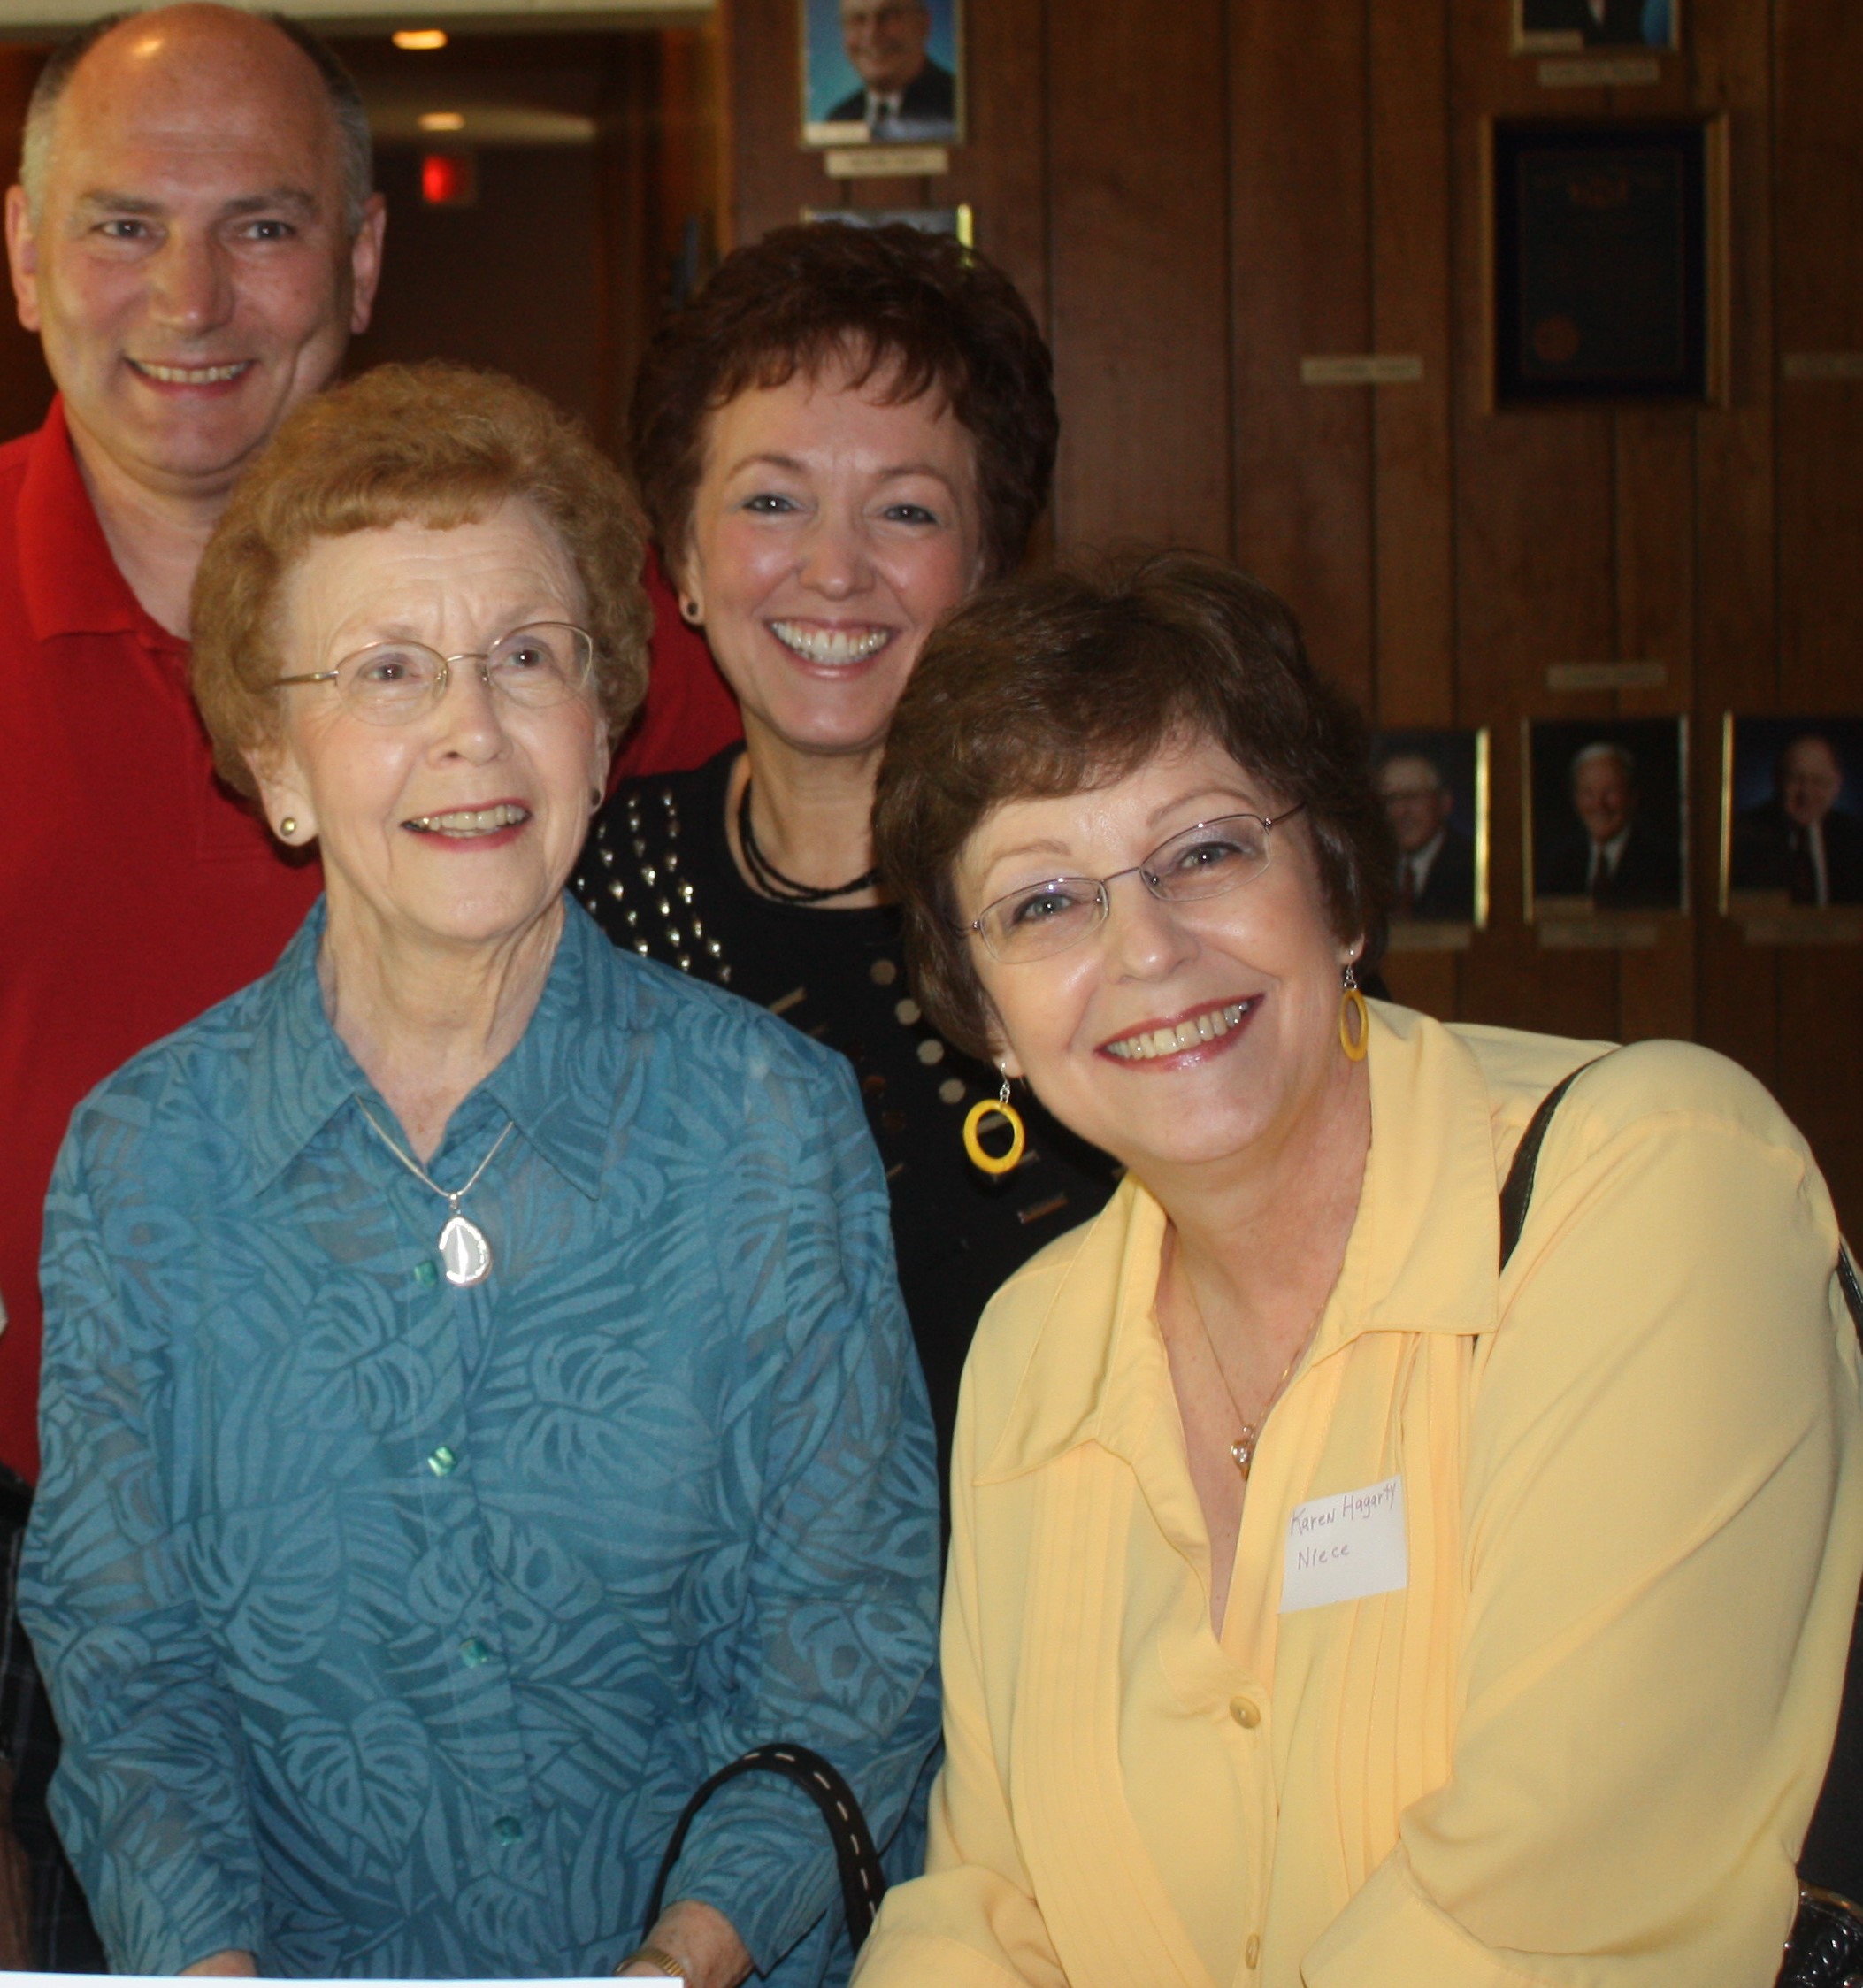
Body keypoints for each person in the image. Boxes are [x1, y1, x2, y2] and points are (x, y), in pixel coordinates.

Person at [19, 363, 939, 1986]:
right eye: (388, 670)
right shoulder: (142, 1162)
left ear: (599, 727)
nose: (470, 728)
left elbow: (848, 1645)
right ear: (276, 763)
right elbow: (130, 1683)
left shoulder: (772, 1125)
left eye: (525, 656)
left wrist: (680, 1963)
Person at [852, 551, 1863, 1986]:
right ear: (986, 1016)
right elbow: (986, 1909)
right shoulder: (1031, 1343)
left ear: (1335, 888)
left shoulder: (1648, 1183)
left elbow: (1540, 1919)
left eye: (1204, 851)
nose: (1145, 950)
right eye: (1044, 902)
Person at [0, 5, 730, 1959]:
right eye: (124, 225)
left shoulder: (558, 606)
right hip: (96, 1578)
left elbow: (802, 853)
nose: (192, 298)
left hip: (549, 1570)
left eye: (261, 226)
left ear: (362, 258)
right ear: (23, 253)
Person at [572, 223, 1118, 1486]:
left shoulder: (1104, 888)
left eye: (905, 511)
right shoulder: (582, 900)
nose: (833, 571)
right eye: (772, 501)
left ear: (985, 564)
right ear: (683, 556)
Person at [1538, 738, 1680, 910]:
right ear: (1575, 799)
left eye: (1610, 791)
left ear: (1632, 797)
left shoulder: (1663, 867)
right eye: (1588, 793)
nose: (1599, 805)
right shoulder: (1559, 866)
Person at [1730, 731, 1863, 908]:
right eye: (1796, 780)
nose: (1806, 793)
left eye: (1818, 781)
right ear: (1777, 781)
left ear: (1837, 785)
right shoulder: (1740, 836)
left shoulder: (1855, 838)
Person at [824, 0, 958, 141]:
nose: (871, 35)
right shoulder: (840, 118)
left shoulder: (960, 107)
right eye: (858, 19)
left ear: (922, 25)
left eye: (888, 16)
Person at [1376, 748, 1475, 920]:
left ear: (1444, 803)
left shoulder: (1471, 865)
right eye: (1391, 799)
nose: (1401, 811)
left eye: (1412, 798)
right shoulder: (1370, 864)